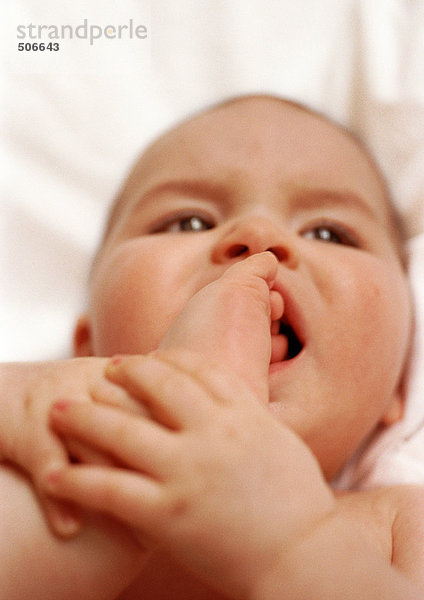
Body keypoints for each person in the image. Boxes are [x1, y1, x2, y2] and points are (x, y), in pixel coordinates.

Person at [1, 94, 423, 599]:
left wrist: (290, 545)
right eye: (188, 222)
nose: (258, 234)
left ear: (401, 378)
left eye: (331, 232)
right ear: (87, 348)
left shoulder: (398, 527)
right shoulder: (51, 479)